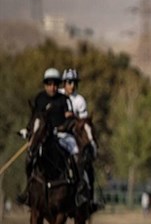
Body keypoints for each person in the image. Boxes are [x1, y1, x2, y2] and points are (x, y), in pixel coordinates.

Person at [16, 68, 88, 206]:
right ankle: (28, 189)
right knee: (30, 156)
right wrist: (29, 131)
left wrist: (66, 121)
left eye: (55, 84)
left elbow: (70, 120)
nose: (52, 87)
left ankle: (79, 189)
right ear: (45, 85)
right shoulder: (39, 98)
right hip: (44, 136)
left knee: (76, 153)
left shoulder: (64, 99)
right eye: (49, 84)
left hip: (62, 135)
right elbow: (34, 119)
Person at [60, 68, 99, 210]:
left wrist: (72, 117)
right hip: (55, 134)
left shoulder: (79, 100)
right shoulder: (57, 96)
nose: (72, 85)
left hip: (72, 137)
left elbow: (84, 124)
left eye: (75, 82)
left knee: (82, 159)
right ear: (64, 83)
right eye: (69, 82)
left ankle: (85, 192)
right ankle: (29, 191)